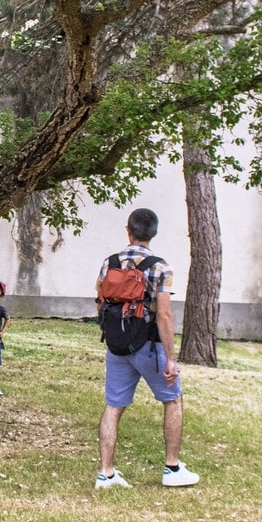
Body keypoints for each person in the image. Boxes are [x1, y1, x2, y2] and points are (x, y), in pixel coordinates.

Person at [94, 208, 199, 489]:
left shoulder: (109, 263)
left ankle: (106, 473)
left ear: (127, 229)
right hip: (149, 348)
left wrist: (113, 332)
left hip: (117, 345)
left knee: (113, 407)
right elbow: (164, 315)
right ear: (153, 232)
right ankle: (172, 468)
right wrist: (171, 360)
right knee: (172, 400)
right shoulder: (160, 266)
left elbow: (100, 301)